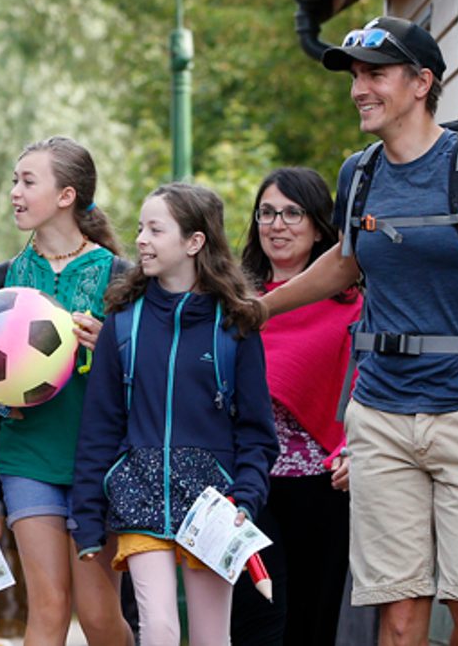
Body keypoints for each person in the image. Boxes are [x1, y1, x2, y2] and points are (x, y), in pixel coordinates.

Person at [262, 16, 458, 646]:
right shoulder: (359, 173)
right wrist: (260, 308)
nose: (359, 90)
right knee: (398, 619)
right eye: (355, 76)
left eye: (376, 75)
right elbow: (345, 261)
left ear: (422, 82)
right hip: (381, 416)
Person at [72, 183, 278, 646]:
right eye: (141, 228)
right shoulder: (122, 324)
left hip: (214, 506)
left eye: (155, 229)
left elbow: (258, 433)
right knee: (160, 630)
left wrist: (244, 498)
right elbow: (99, 427)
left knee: (211, 639)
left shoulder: (236, 326)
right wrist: (85, 516)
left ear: (194, 242)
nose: (141, 239)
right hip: (138, 497)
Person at [0, 136, 134, 646]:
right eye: (14, 181)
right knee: (46, 610)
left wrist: (112, 347)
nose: (15, 192)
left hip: (99, 459)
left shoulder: (121, 277)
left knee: (97, 615)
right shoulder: (3, 278)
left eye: (28, 181)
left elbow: (150, 378)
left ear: (67, 195)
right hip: (27, 454)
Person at [230, 168, 363, 646]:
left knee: (312, 620)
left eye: (292, 213)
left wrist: (354, 448)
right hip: (245, 485)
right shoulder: (233, 303)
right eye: (267, 213)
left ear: (319, 226)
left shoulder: (352, 305)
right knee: (253, 622)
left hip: (322, 483)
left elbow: (365, 385)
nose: (277, 224)